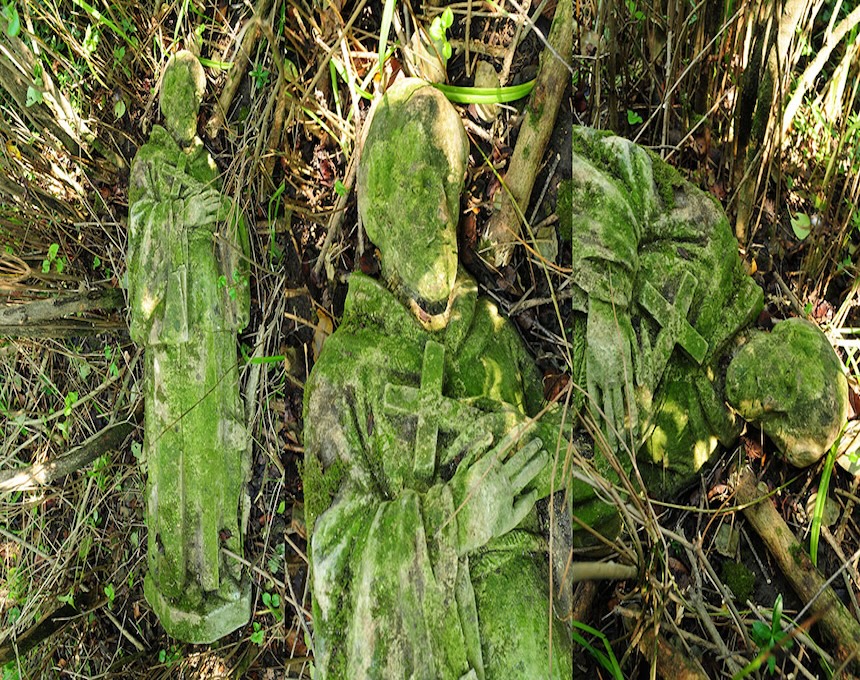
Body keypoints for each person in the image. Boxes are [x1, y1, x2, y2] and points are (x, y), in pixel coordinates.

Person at [303, 78, 573, 679]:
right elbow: (333, 566)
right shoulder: (345, 372)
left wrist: (542, 446)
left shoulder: (493, 335)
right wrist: (457, 518)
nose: (432, 212)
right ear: (373, 206)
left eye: (445, 185)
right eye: (412, 187)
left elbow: (561, 468)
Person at [127, 50, 252, 642]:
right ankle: (175, 574)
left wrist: (221, 223)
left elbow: (232, 236)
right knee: (176, 449)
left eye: (194, 96)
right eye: (177, 91)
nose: (186, 105)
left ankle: (220, 571)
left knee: (215, 454)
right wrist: (180, 218)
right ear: (163, 97)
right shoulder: (149, 162)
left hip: (210, 321)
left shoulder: (206, 164)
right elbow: (141, 225)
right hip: (173, 327)